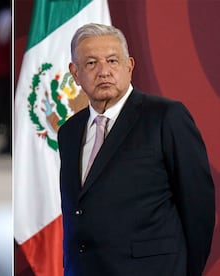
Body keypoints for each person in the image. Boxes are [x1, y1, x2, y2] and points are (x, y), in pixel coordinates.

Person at [58, 23, 215, 276]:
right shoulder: (69, 132)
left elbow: (199, 208)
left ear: (129, 66)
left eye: (112, 61)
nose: (104, 72)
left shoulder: (166, 117)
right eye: (91, 64)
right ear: (75, 73)